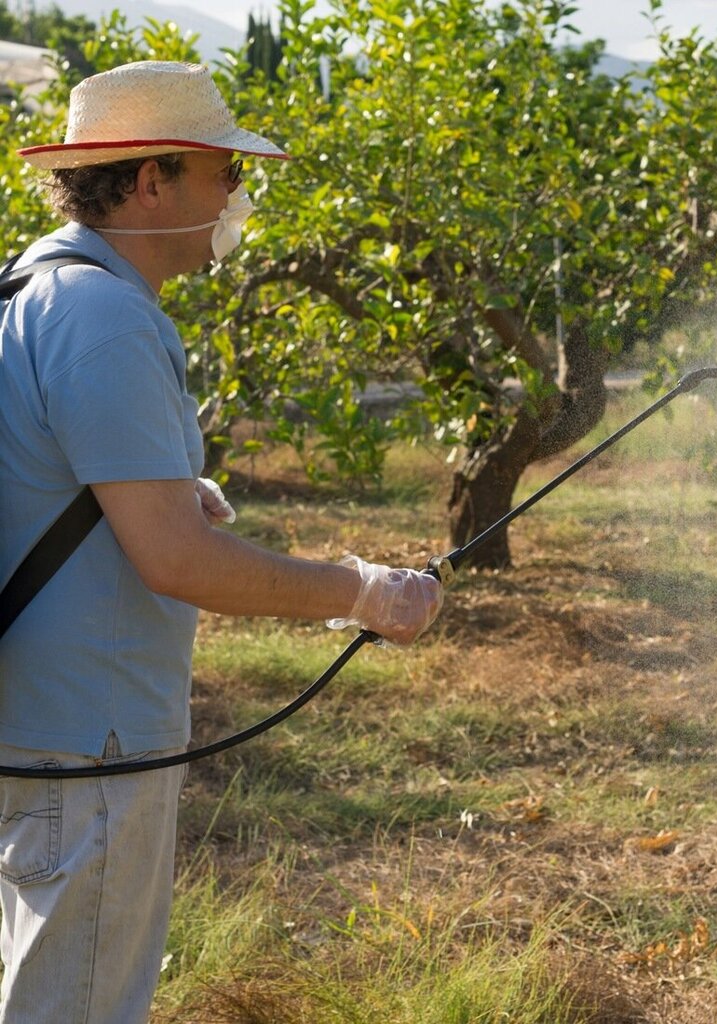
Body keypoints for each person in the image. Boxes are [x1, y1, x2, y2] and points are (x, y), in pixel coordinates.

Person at [0, 61, 444, 1023]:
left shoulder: (30, 288)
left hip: (34, 727)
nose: (237, 197)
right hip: (91, 742)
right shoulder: (108, 316)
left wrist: (157, 488)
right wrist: (363, 589)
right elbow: (177, 563)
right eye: (223, 173)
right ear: (151, 178)